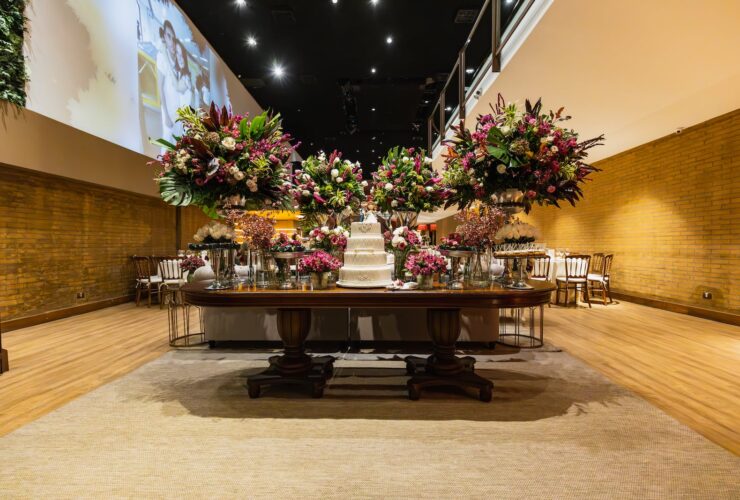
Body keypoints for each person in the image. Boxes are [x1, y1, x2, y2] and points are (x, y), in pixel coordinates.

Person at [157, 20, 179, 141]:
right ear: (164, 36)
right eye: (168, 36)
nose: (171, 41)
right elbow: (160, 87)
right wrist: (166, 115)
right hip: (168, 108)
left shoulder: (176, 57)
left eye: (173, 37)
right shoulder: (161, 57)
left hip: (177, 106)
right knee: (167, 140)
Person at [173, 39, 194, 110]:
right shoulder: (179, 73)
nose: (180, 58)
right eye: (177, 53)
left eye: (182, 55)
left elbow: (178, 87)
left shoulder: (186, 77)